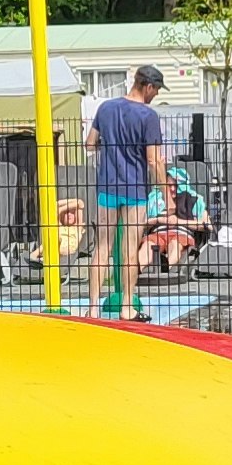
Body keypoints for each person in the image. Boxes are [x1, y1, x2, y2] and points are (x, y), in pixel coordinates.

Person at [85, 64, 167, 318]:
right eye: (157, 91)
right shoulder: (148, 116)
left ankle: (92, 309)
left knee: (102, 247)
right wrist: (166, 192)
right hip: (134, 189)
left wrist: (110, 148)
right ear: (148, 86)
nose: (156, 96)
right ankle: (127, 307)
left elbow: (90, 144)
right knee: (130, 248)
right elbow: (153, 160)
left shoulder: (106, 108)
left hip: (107, 186)